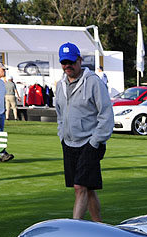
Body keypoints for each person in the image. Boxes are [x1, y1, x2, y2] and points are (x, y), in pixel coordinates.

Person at [54, 42, 113, 222]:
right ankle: (100, 227)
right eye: (64, 62)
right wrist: (61, 134)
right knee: (87, 188)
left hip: (90, 143)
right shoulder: (60, 85)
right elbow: (59, 113)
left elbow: (106, 114)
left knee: (80, 187)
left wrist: (95, 141)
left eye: (71, 61)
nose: (67, 66)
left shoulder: (94, 82)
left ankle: (74, 229)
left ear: (80, 60)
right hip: (69, 143)